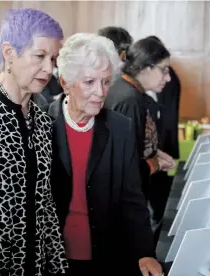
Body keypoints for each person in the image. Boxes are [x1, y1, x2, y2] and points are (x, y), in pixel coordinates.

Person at [48, 33, 163, 276]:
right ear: (66, 83)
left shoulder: (120, 128)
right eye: (89, 82)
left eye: (106, 82)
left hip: (106, 257)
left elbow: (132, 198)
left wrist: (145, 251)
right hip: (52, 258)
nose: (100, 92)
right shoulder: (44, 124)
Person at [0, 8, 67, 275]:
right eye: (40, 56)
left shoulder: (42, 121)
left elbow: (45, 205)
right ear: (10, 53)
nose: (49, 69)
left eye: (54, 59)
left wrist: (56, 264)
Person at [105, 38, 176, 198]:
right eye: (164, 70)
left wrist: (154, 152)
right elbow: (127, 165)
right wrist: (156, 163)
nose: (168, 78)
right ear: (145, 68)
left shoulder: (125, 88)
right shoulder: (130, 99)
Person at [144, 35, 181, 242]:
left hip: (160, 146)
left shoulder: (169, 78)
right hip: (156, 150)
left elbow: (168, 116)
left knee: (157, 202)